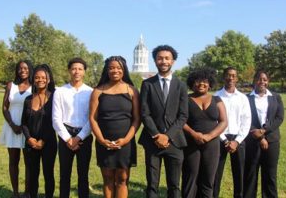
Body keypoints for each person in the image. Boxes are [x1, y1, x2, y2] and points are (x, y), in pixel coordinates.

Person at [139, 45, 188, 198]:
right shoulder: (147, 84)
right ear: (155, 61)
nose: (163, 61)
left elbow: (183, 115)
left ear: (173, 61)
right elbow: (144, 113)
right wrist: (156, 135)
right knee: (152, 185)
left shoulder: (181, 85)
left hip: (175, 141)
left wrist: (167, 136)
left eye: (167, 58)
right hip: (152, 141)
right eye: (160, 58)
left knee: (174, 185)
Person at [89, 56, 140, 198]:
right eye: (111, 67)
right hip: (104, 142)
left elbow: (137, 119)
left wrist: (126, 140)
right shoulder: (98, 91)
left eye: (119, 68)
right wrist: (100, 139)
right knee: (108, 179)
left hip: (125, 143)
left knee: (122, 179)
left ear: (124, 70)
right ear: (106, 70)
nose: (115, 70)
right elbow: (93, 118)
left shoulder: (132, 91)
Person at [182, 67, 227, 198]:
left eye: (205, 81)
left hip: (212, 144)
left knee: (208, 180)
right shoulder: (185, 99)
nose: (201, 84)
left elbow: (223, 122)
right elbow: (180, 120)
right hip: (191, 143)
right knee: (190, 177)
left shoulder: (217, 100)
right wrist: (194, 134)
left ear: (210, 83)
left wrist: (209, 136)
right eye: (197, 81)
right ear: (192, 83)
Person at [52, 57, 93, 198]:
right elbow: (56, 119)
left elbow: (92, 118)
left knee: (83, 175)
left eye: (80, 69)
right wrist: (69, 139)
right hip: (65, 135)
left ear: (84, 72)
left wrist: (79, 137)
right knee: (64, 174)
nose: (77, 71)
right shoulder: (60, 91)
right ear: (69, 70)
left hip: (85, 135)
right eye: (74, 68)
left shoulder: (91, 92)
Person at [243, 70, 284, 198]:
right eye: (259, 79)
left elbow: (279, 118)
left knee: (270, 175)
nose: (262, 82)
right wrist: (260, 137)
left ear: (268, 81)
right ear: (254, 81)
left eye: (265, 79)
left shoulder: (276, 97)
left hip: (272, 142)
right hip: (252, 141)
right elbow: (244, 118)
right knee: (250, 174)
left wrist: (264, 131)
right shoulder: (246, 98)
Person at [213, 67, 251, 198]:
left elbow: (246, 121)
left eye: (233, 76)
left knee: (239, 173)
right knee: (216, 173)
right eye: (228, 75)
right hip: (219, 138)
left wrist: (236, 141)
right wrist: (224, 139)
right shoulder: (216, 96)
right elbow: (214, 121)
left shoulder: (242, 98)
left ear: (237, 78)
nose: (231, 78)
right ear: (224, 77)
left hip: (238, 139)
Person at [21, 64, 57, 198]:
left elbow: (55, 122)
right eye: (37, 77)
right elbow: (23, 122)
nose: (40, 80)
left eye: (43, 77)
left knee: (48, 174)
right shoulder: (28, 99)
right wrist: (29, 138)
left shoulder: (54, 98)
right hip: (31, 144)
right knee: (32, 175)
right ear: (33, 79)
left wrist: (43, 140)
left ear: (48, 80)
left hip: (49, 143)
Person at [0, 60, 33, 198]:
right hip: (11, 126)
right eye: (20, 68)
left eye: (25, 68)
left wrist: (26, 127)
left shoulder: (34, 86)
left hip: (27, 128)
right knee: (13, 161)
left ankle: (27, 192)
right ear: (17, 70)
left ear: (30, 69)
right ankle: (15, 192)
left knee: (29, 162)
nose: (22, 70)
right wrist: (12, 125)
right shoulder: (10, 85)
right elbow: (5, 107)